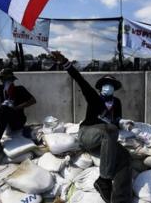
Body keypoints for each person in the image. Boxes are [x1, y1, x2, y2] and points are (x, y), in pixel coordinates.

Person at [51, 51, 132, 203]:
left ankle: (121, 198)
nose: (108, 87)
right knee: (110, 130)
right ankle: (104, 180)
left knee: (126, 157)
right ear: (100, 88)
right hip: (88, 134)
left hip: (105, 140)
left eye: (111, 86)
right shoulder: (95, 98)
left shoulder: (117, 103)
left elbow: (116, 122)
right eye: (105, 85)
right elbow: (80, 80)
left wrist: (123, 122)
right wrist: (65, 63)